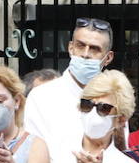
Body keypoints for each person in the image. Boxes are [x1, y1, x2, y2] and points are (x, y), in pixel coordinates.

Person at [24, 17, 115, 156]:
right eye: (80, 45)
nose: (85, 54)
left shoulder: (114, 102)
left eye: (94, 49)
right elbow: (32, 155)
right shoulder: (41, 97)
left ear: (108, 58)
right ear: (70, 48)